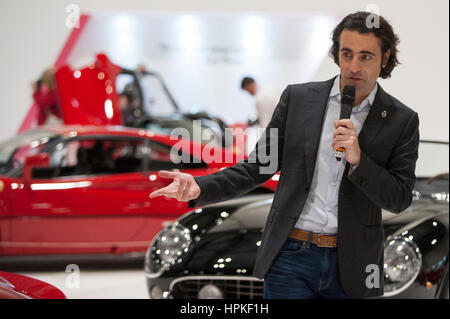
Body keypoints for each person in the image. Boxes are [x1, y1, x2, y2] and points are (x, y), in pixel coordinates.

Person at [150, 12, 420, 299]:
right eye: (346, 54)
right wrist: (201, 185)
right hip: (291, 256)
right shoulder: (298, 100)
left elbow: (400, 198)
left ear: (385, 57)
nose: (353, 66)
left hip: (355, 264)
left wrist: (359, 160)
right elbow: (257, 166)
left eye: (365, 56)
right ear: (336, 54)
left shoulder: (401, 120)